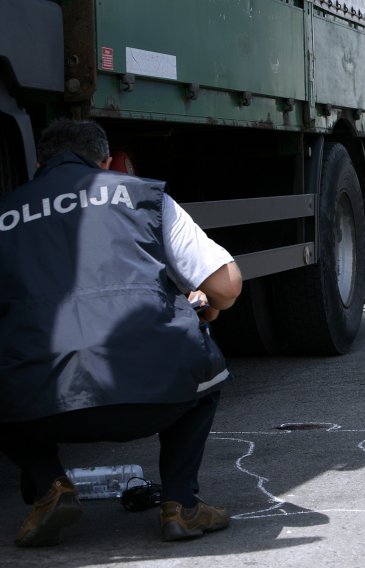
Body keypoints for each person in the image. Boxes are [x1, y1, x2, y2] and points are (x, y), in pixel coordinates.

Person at [0, 119, 243, 546]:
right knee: (202, 363)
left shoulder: (4, 213)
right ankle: (181, 506)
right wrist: (206, 310)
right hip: (153, 396)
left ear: (39, 163)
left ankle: (48, 485)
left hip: (39, 407)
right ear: (108, 162)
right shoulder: (145, 197)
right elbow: (226, 286)